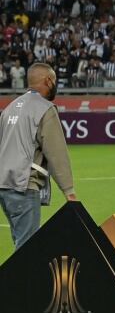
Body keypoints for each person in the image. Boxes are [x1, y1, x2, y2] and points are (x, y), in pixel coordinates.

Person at [0, 63, 77, 249]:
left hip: (4, 186)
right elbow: (57, 152)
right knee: (28, 251)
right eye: (55, 81)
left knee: (22, 243)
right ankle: (17, 279)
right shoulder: (44, 108)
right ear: (48, 81)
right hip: (23, 186)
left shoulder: (9, 108)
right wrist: (69, 191)